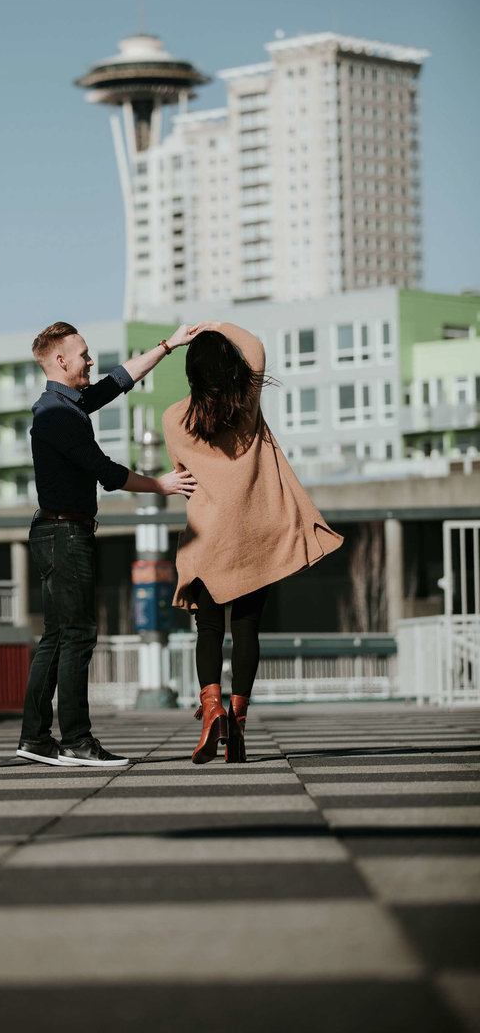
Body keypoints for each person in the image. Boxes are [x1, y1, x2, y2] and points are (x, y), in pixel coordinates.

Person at [161, 321, 343, 764]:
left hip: (211, 539)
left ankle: (212, 711)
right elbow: (256, 347)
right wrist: (216, 325)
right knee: (246, 631)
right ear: (230, 368)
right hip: (255, 536)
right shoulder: (248, 404)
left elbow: (181, 473)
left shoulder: (174, 419)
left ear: (192, 375)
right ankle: (238, 725)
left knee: (208, 630)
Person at [17, 321, 197, 768]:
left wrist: (167, 346)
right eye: (83, 355)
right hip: (64, 534)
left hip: (56, 532)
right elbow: (107, 472)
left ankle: (36, 739)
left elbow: (119, 381)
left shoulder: (67, 404)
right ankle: (76, 740)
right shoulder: (56, 415)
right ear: (60, 361)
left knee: (57, 637)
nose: (90, 361)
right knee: (77, 635)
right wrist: (162, 485)